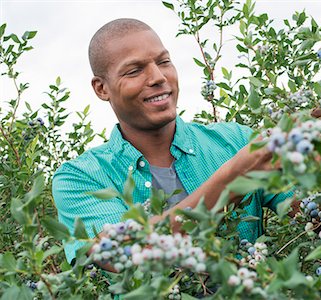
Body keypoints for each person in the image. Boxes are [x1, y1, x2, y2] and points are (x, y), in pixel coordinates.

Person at [52, 18, 291, 267]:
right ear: (102, 88)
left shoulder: (237, 141)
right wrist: (234, 179)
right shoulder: (80, 178)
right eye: (134, 70)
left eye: (164, 62)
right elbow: (121, 255)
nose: (158, 77)